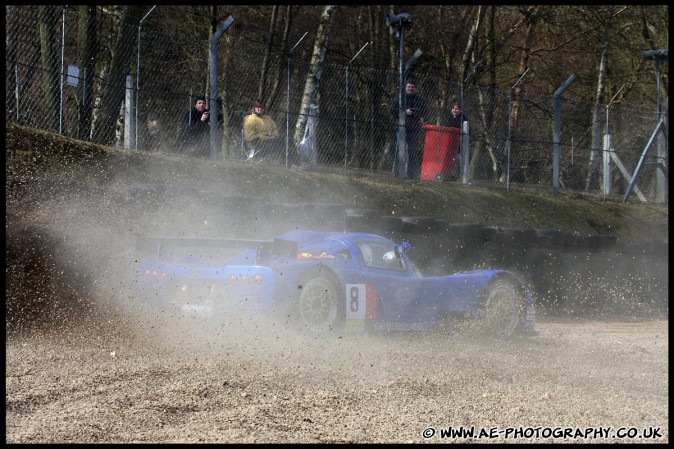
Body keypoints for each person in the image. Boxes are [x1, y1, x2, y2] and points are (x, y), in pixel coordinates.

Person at [390, 79, 427, 179]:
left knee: (412, 152)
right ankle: (398, 173)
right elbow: (392, 110)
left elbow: (424, 113)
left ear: (415, 88)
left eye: (412, 87)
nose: (410, 89)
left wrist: (422, 118)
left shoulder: (420, 100)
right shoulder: (400, 98)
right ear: (405, 88)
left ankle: (411, 174)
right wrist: (404, 112)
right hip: (402, 129)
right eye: (408, 87)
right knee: (400, 151)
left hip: (414, 130)